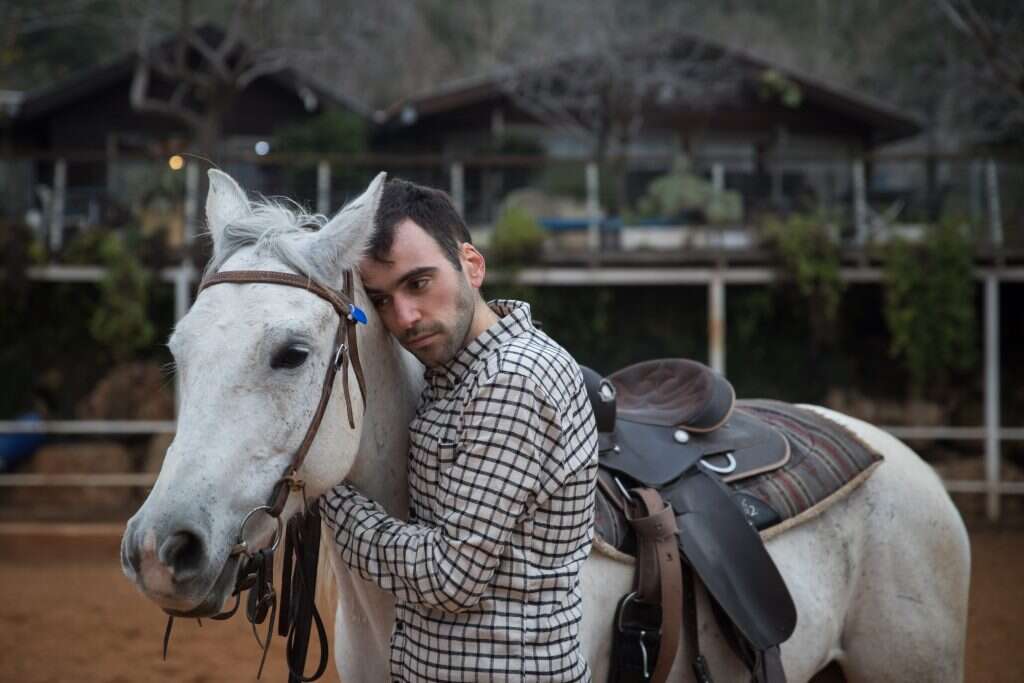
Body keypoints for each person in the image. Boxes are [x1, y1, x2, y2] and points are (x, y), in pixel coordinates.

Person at [320, 178, 599, 682]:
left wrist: (329, 494)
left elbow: (450, 578)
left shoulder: (512, 380)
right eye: (382, 300)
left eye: (418, 283)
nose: (403, 318)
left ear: (472, 264)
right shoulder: (449, 378)